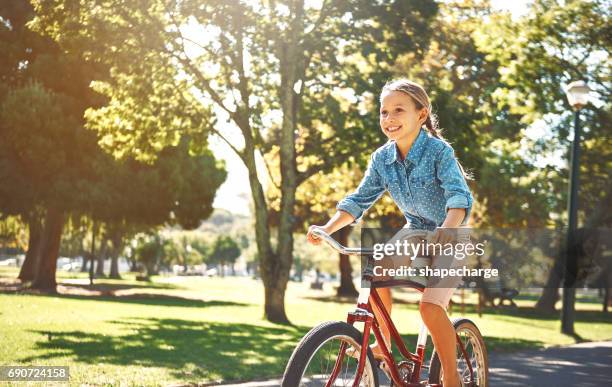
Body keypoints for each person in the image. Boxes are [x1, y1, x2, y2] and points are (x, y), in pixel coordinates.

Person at [306, 79, 473, 387]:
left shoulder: (439, 152)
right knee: (377, 270)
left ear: (421, 115)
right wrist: (327, 228)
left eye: (398, 110)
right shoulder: (382, 159)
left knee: (431, 308)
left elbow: (458, 198)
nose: (389, 119)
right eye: (384, 112)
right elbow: (359, 199)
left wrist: (447, 232)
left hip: (452, 235)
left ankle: (451, 376)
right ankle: (382, 342)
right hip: (414, 233)